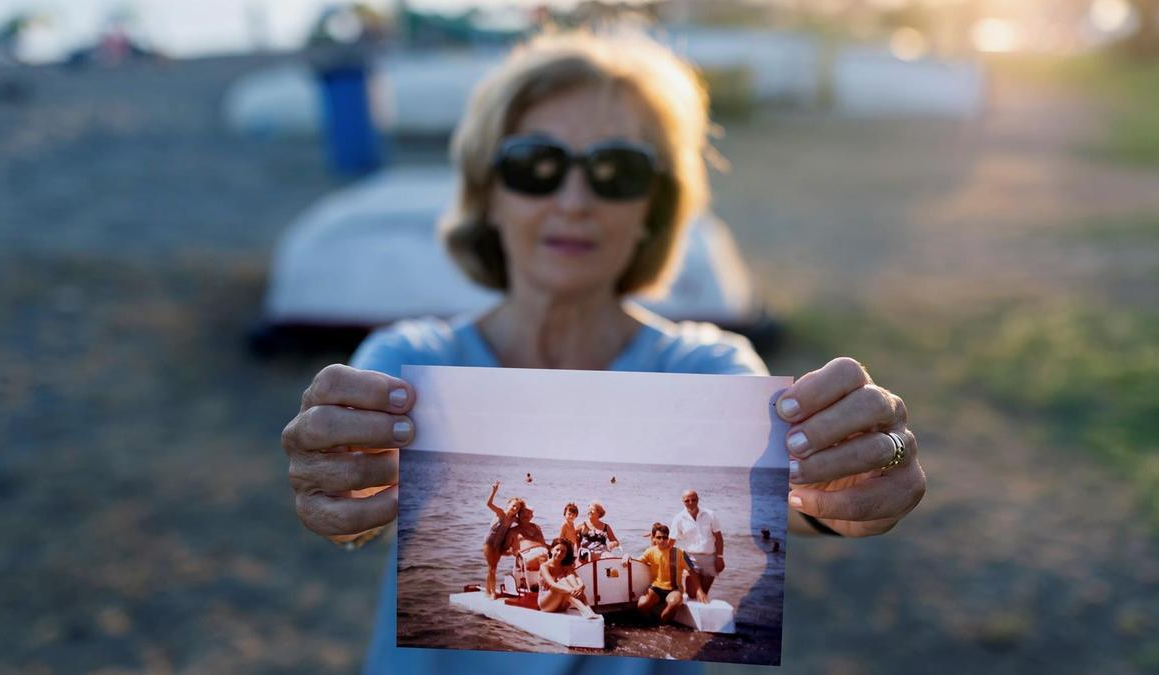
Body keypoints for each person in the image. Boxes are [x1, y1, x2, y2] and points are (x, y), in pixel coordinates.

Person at [281, 29, 926, 675]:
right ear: (488, 195)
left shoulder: (707, 369)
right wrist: (336, 490)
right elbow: (359, 503)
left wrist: (842, 488)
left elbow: (779, 497)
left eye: (617, 171)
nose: (574, 200)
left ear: (655, 206)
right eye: (535, 165)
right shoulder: (411, 362)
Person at [630, 523, 695, 623]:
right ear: (654, 539)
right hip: (656, 588)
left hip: (674, 589)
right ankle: (650, 621)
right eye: (658, 537)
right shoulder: (650, 551)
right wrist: (627, 557)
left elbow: (692, 570)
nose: (661, 540)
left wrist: (699, 591)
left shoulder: (680, 552)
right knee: (642, 605)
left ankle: (662, 625)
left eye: (664, 537)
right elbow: (636, 562)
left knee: (674, 603)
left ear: (669, 538)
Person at [669, 489, 723, 596]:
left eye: (693, 500)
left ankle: (702, 611)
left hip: (710, 558)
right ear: (682, 501)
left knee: (704, 592)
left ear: (698, 500)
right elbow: (671, 541)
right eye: (687, 500)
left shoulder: (710, 514)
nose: (690, 503)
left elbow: (719, 538)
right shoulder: (678, 518)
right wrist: (655, 544)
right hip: (691, 559)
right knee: (692, 594)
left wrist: (720, 557)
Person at [481, 482, 523, 599]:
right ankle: (493, 592)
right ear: (508, 504)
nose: (515, 508)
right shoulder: (500, 513)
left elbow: (523, 523)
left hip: (499, 545)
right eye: (513, 505)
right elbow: (488, 504)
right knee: (492, 568)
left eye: (517, 508)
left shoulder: (514, 518)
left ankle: (488, 591)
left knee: (492, 567)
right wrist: (494, 491)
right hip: (489, 543)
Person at [538, 538, 597, 619]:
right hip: (546, 605)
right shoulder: (544, 566)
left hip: (562, 605)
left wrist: (581, 586)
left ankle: (589, 610)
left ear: (566, 554)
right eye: (557, 550)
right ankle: (584, 610)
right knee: (563, 583)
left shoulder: (566, 567)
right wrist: (571, 590)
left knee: (572, 581)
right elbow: (552, 584)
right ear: (551, 550)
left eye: (563, 552)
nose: (559, 553)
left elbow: (577, 579)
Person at [506, 505, 550, 577]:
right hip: (526, 556)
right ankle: (546, 583)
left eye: (528, 513)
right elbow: (504, 549)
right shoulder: (513, 531)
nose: (526, 515)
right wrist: (514, 551)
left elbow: (544, 543)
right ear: (518, 515)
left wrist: (555, 546)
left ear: (532, 516)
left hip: (543, 553)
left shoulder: (536, 527)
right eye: (523, 512)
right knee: (542, 558)